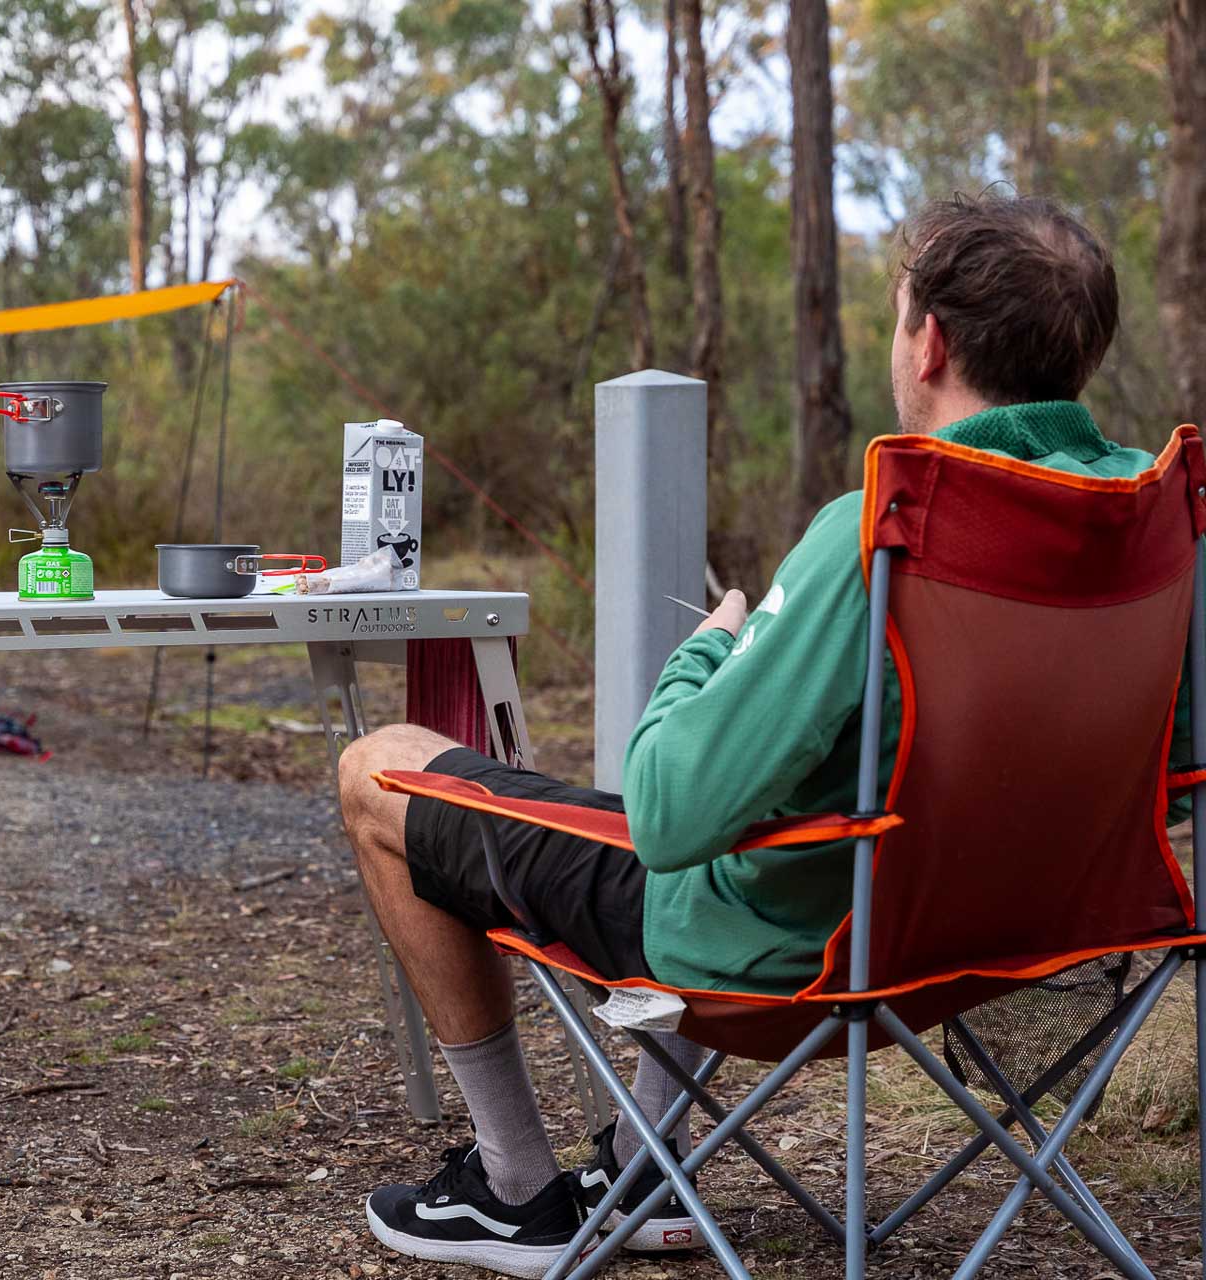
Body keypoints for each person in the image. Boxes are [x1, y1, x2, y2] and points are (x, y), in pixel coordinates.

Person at [337, 191, 1180, 1278]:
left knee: (378, 770)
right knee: (773, 787)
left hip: (809, 958)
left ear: (930, 342)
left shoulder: (881, 527)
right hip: (1023, 937)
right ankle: (644, 1169)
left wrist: (710, 656)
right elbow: (1175, 764)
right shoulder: (1153, 520)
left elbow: (670, 813)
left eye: (897, 315)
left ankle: (513, 1192)